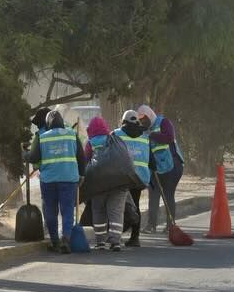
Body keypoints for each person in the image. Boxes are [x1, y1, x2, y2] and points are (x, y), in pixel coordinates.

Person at [26, 109, 85, 254]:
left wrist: (24, 154)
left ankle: (55, 241)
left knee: (50, 211)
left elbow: (33, 158)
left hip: (49, 181)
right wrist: (82, 175)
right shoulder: (72, 135)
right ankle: (66, 238)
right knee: (67, 210)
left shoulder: (42, 136)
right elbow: (81, 156)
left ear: (48, 124)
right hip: (69, 179)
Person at [138, 105, 184, 234]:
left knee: (168, 194)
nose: (143, 122)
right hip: (155, 168)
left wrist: (152, 135)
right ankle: (151, 225)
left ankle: (170, 225)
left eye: (144, 118)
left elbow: (169, 137)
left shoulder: (163, 122)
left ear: (150, 115)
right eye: (140, 119)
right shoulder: (143, 130)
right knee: (153, 196)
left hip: (172, 166)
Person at [83, 116, 126, 252]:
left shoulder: (90, 143)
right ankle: (115, 241)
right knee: (116, 212)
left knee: (98, 211)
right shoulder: (113, 139)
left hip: (98, 184)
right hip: (118, 182)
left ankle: (101, 242)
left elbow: (86, 161)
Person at [116, 109, 152, 248]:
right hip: (140, 178)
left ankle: (116, 237)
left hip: (122, 177)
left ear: (123, 121)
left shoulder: (116, 134)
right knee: (135, 205)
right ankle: (135, 238)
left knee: (118, 207)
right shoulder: (144, 137)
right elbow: (151, 159)